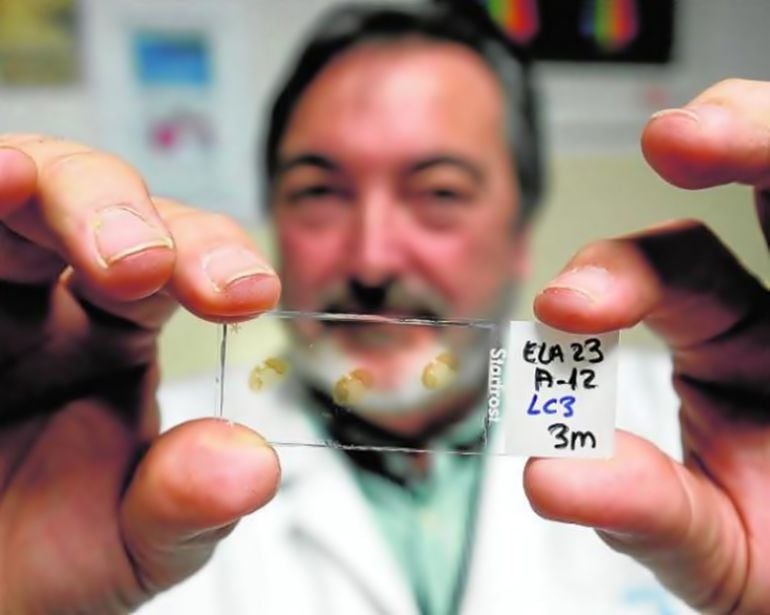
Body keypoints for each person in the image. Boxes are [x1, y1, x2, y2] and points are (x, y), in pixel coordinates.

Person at [0, 2, 768, 613]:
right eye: (319, 192)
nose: (371, 259)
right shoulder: (96, 458)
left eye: (439, 193)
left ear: (518, 234)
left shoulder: (701, 431)